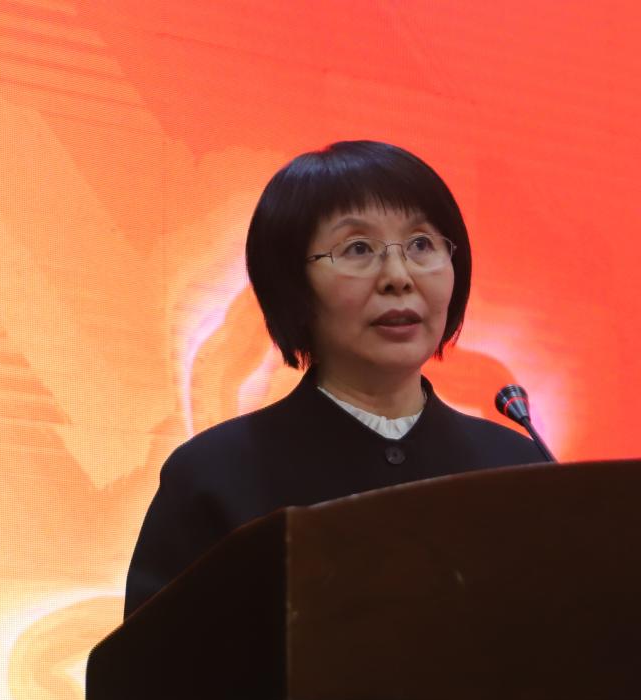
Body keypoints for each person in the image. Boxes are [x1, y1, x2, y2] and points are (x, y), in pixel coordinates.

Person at [124, 141, 546, 618]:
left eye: (421, 245)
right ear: (292, 283)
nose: (398, 276)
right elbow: (152, 662)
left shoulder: (519, 469)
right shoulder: (214, 474)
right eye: (358, 249)